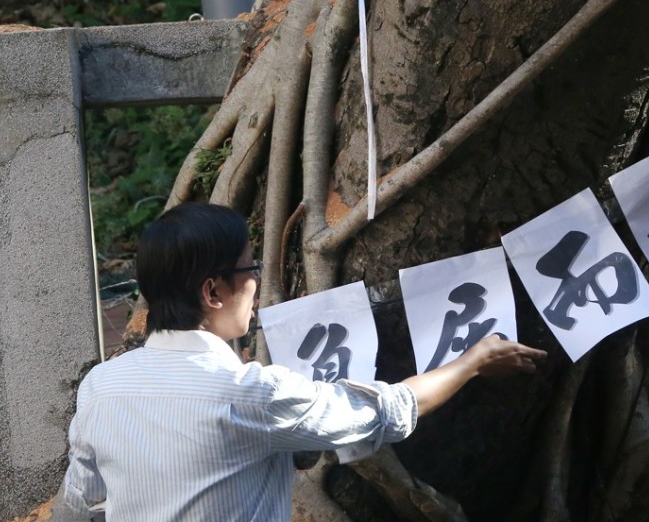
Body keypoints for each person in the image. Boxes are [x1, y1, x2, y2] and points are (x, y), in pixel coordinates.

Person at [63, 203, 547, 520]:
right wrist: (473, 362)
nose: (256, 281)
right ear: (213, 291)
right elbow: (386, 410)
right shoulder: (249, 394)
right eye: (250, 268)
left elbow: (78, 505)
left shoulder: (101, 387)